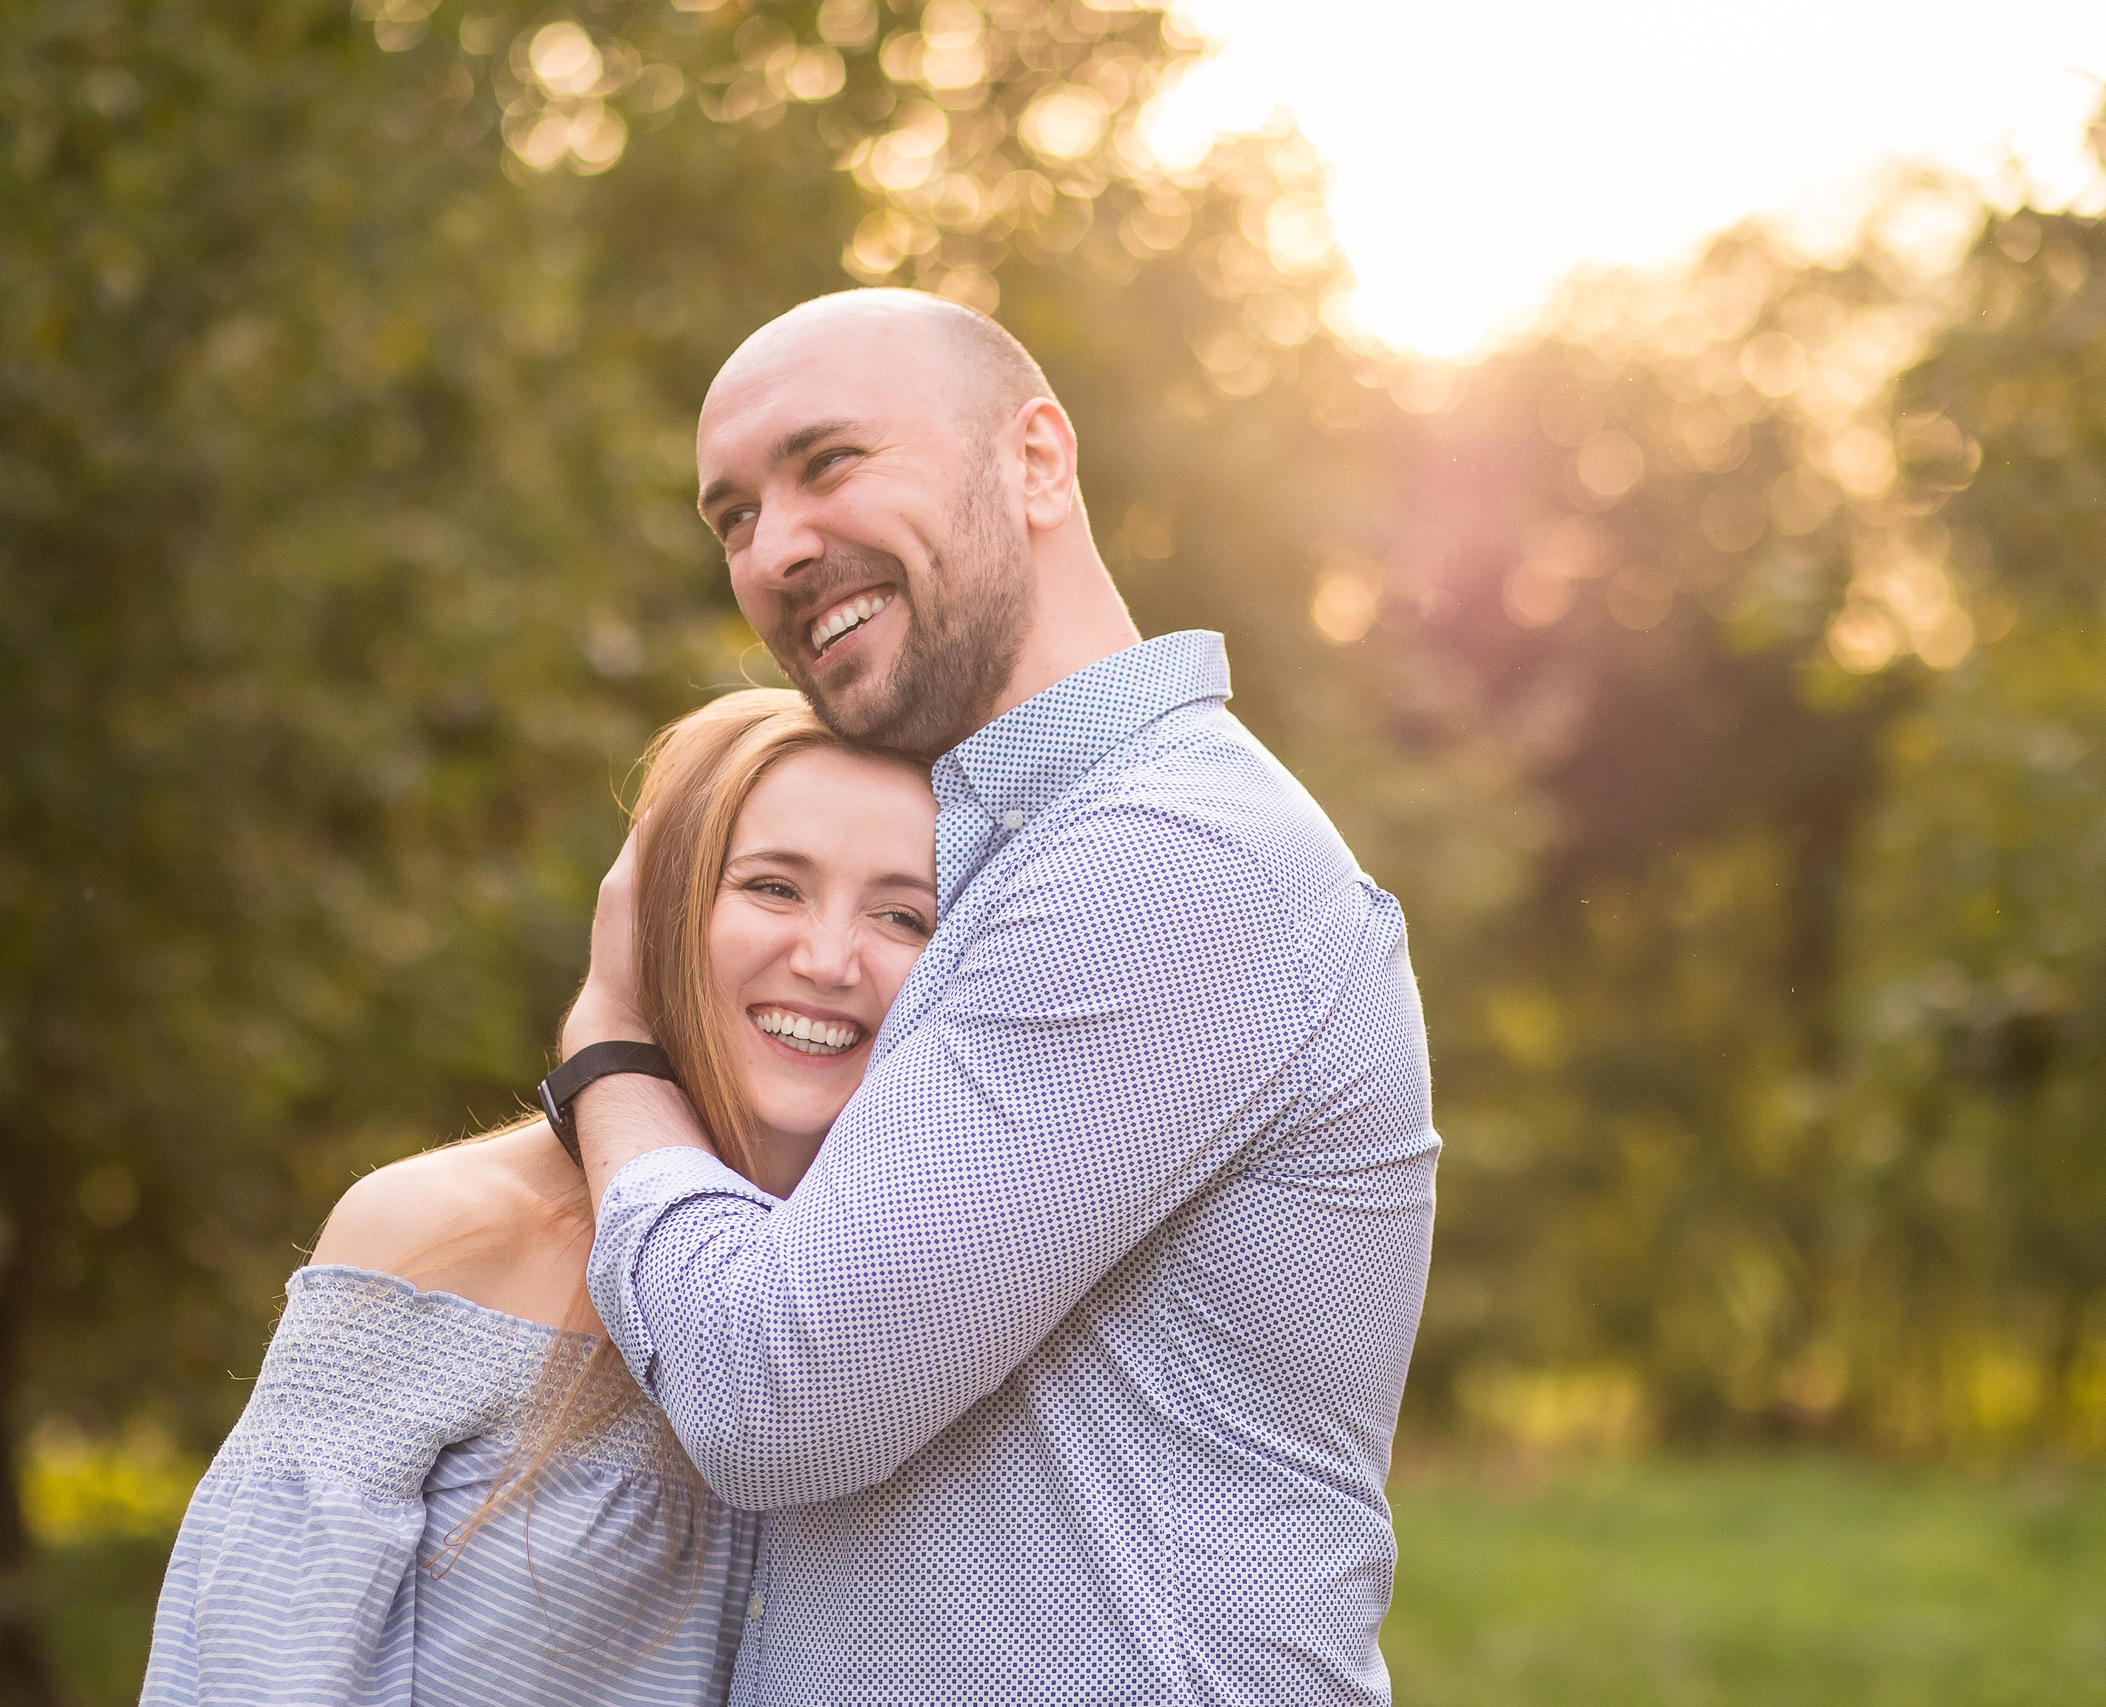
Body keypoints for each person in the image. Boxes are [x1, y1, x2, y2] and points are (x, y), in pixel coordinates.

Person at [558, 289, 1441, 1704]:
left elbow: (776, 1394)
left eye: (830, 461)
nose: (776, 548)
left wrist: (610, 1054)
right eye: (733, 518)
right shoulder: (1001, 862)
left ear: (1034, 459)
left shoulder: (1168, 855)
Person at [139, 690, 939, 1706]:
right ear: (652, 910)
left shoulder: (925, 1301)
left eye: (902, 914)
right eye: (773, 888)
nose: (828, 960)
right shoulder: (434, 1237)